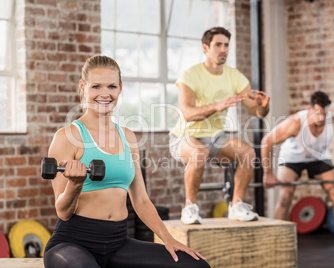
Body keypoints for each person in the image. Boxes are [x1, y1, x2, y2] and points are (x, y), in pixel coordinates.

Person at [43, 55, 210, 268]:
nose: (105, 94)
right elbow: (63, 212)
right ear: (83, 87)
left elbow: (140, 200)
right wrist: (75, 185)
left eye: (111, 86)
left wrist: (168, 239)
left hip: (118, 243)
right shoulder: (67, 137)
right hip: (72, 243)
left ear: (120, 88)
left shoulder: (128, 137)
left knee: (195, 265)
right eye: (96, 86)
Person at [169, 27, 270, 225]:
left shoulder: (235, 76)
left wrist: (264, 107)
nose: (223, 49)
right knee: (199, 153)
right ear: (206, 47)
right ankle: (189, 208)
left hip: (215, 136)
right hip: (185, 136)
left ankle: (237, 206)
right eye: (218, 45)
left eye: (226, 45)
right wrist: (218, 106)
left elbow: (256, 111)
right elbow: (188, 114)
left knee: (248, 153)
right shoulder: (191, 75)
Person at [261, 91, 334, 260]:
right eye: (317, 113)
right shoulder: (296, 122)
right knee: (286, 196)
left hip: (319, 156)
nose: (321, 118)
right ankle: (276, 244)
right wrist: (268, 173)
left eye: (324, 113)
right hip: (292, 157)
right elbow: (267, 141)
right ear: (309, 109)